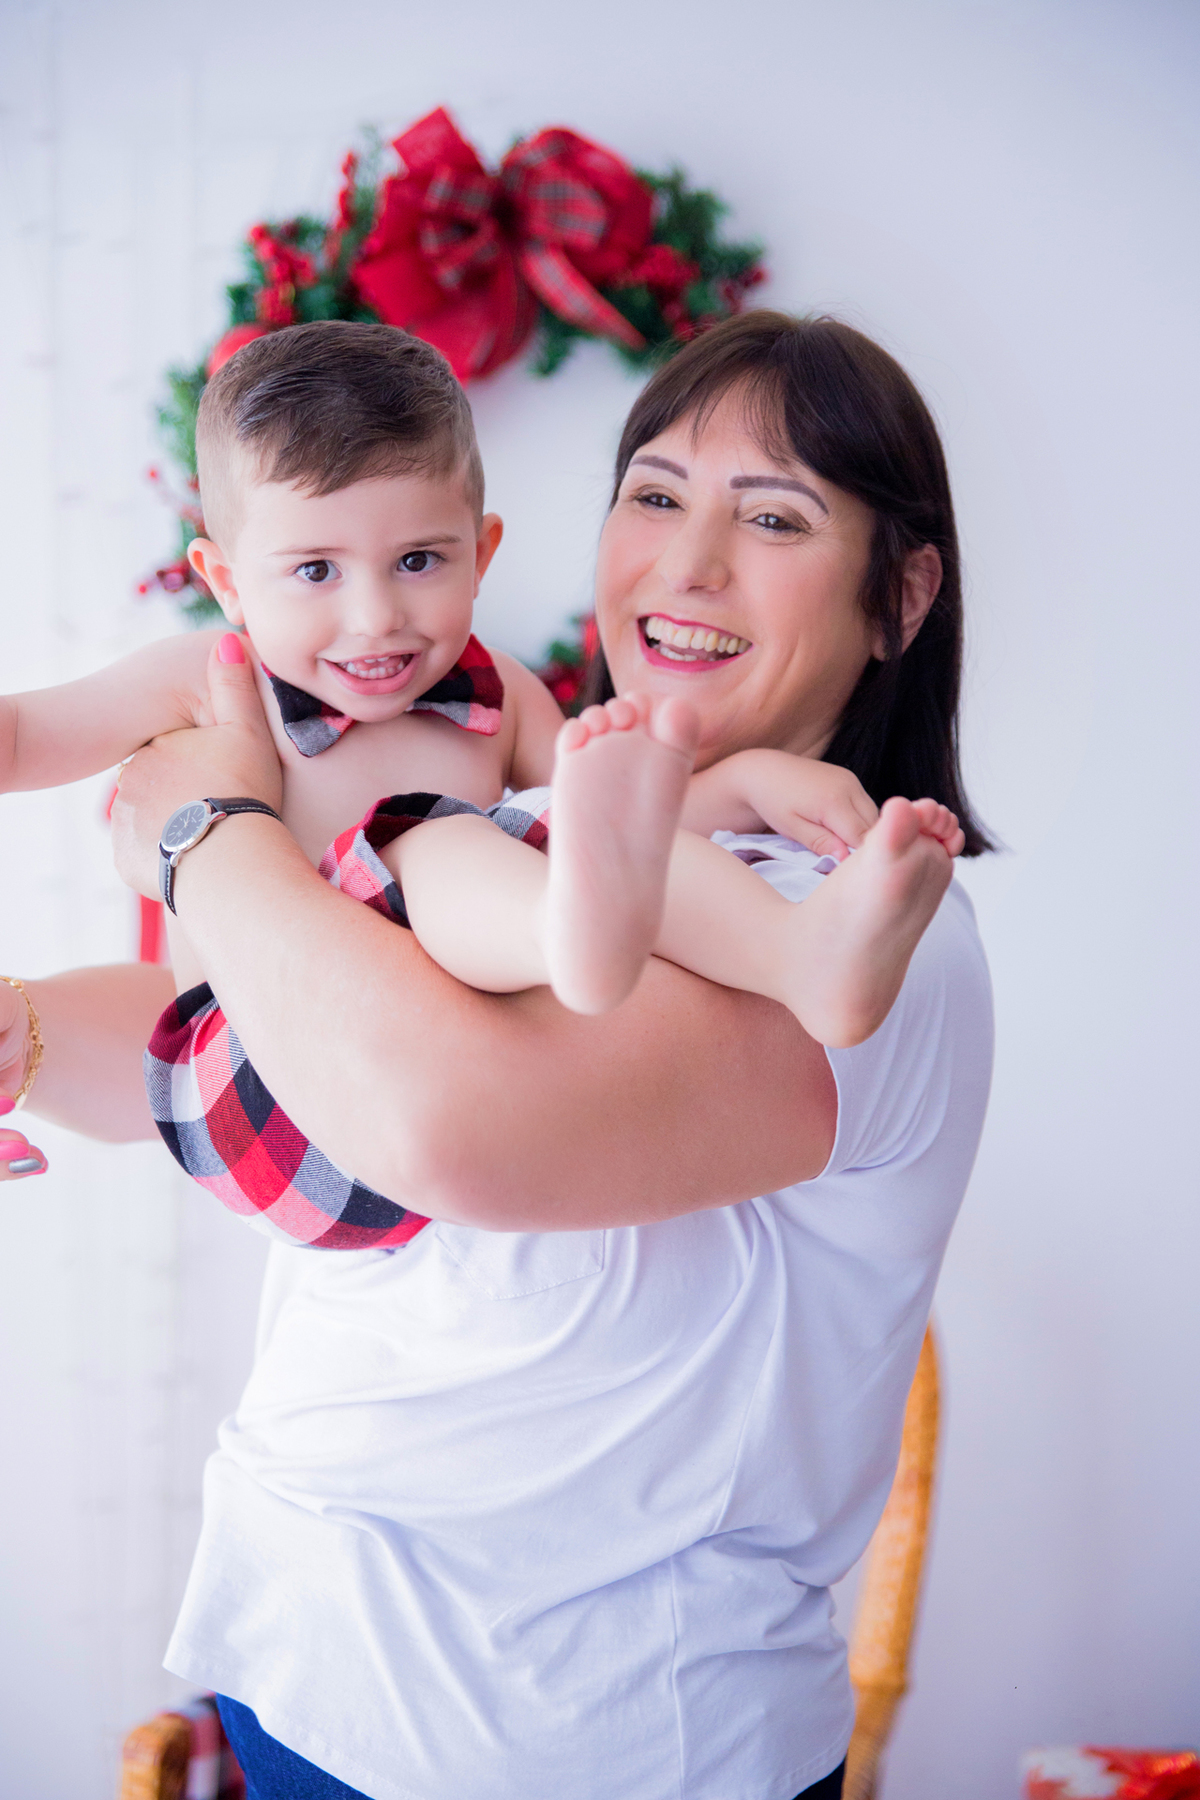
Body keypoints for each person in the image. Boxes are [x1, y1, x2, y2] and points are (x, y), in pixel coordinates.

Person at [0, 311, 994, 1800]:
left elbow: (447, 1125)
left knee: (446, 850)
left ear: (899, 595)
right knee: (136, 1020)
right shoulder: (515, 781)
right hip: (304, 1662)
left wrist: (206, 832)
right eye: (655, 494)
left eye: (772, 516)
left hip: (574, 1741)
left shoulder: (878, 921)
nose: (688, 562)